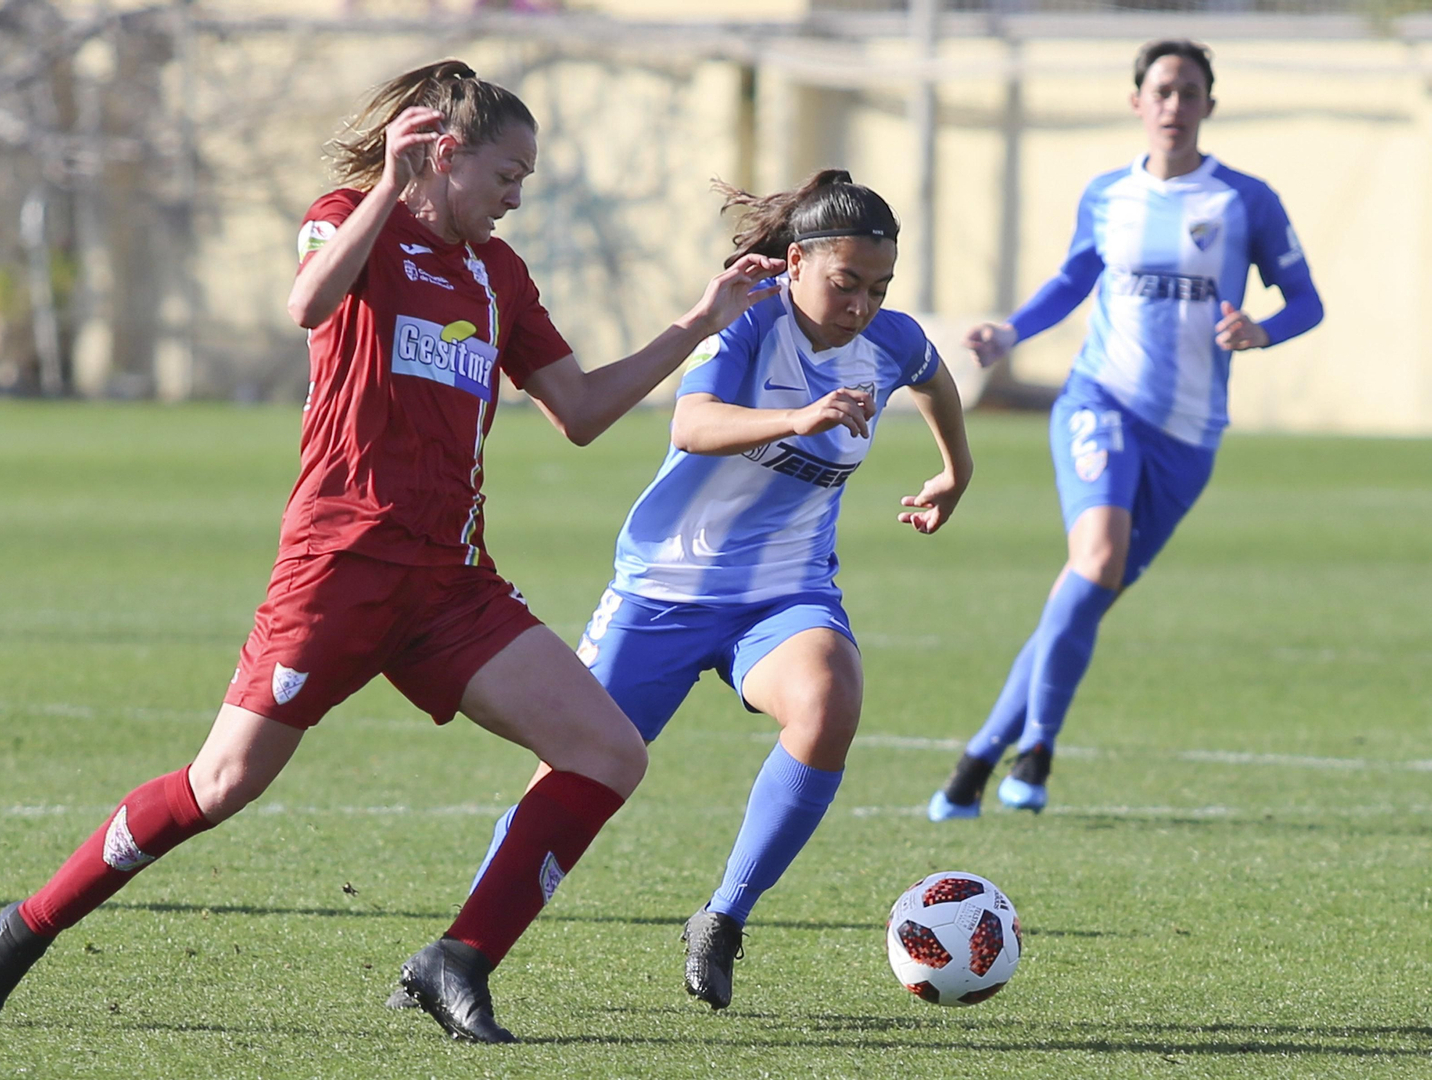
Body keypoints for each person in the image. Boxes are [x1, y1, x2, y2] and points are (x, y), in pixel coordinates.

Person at [0, 59, 783, 1044]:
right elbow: (307, 304)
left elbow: (585, 411)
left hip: (448, 584)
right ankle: (25, 927)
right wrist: (387, 187)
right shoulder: (349, 216)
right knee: (221, 786)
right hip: (336, 572)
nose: (519, 196)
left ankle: (458, 960)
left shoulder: (498, 274)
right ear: (443, 155)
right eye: (507, 174)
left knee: (605, 752)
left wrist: (699, 322)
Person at [424, 169, 972, 1011]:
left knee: (829, 700)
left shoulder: (889, 341)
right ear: (794, 263)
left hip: (784, 594)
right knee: (570, 775)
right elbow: (692, 423)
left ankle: (722, 917)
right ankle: (463, 947)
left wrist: (954, 470)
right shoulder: (750, 323)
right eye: (845, 283)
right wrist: (800, 417)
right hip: (664, 589)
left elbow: (934, 376)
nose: (862, 304)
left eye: (878, 288)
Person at [927, 39, 1323, 821]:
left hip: (1190, 435)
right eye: (1162, 90)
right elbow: (1076, 277)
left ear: (1210, 104)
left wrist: (1263, 331)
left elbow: (1307, 301)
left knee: (1084, 595)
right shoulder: (1108, 194)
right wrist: (1010, 333)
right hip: (1099, 404)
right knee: (1097, 558)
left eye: (1189, 91)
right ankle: (1037, 750)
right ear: (1137, 102)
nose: (1174, 104)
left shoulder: (1246, 200)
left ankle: (975, 761)